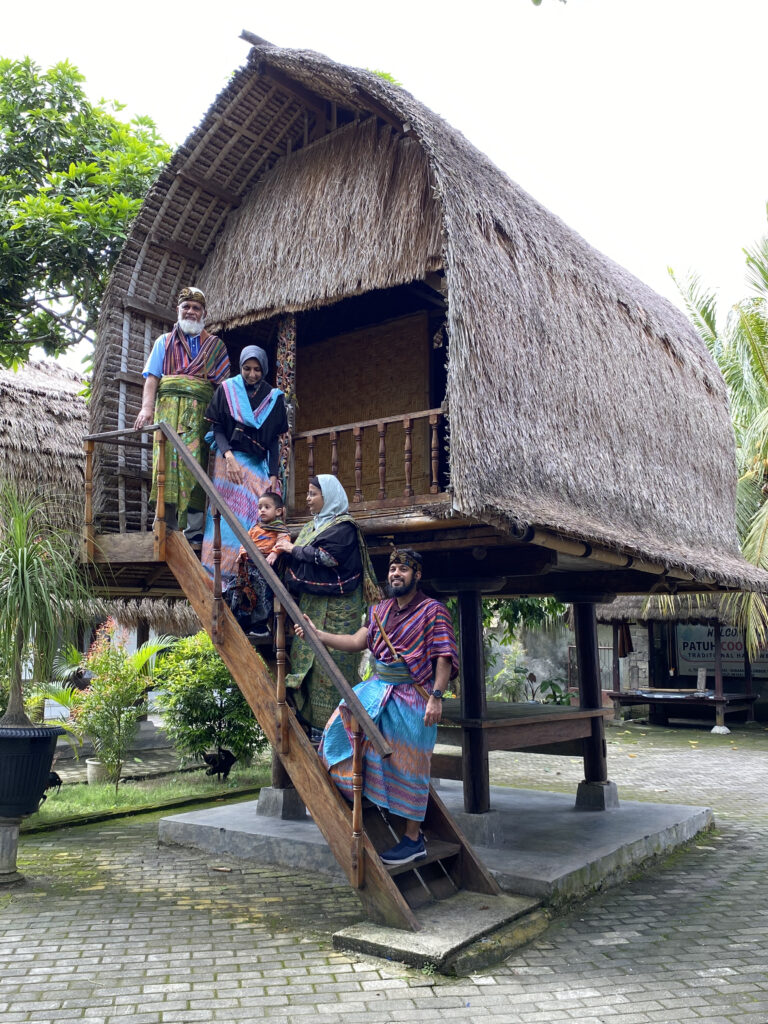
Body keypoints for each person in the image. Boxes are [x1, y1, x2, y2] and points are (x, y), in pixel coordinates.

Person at [296, 548, 458, 866]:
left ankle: (413, 840)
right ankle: (364, 797)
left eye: (404, 570)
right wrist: (318, 635)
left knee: (411, 764)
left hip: (415, 696)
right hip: (376, 688)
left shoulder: (434, 610)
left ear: (417, 575)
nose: (396, 574)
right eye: (393, 569)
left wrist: (437, 698)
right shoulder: (380, 609)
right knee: (339, 736)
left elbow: (444, 656)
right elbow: (359, 641)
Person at [273, 474, 380, 740]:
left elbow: (328, 558)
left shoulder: (344, 527)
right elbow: (297, 552)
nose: (308, 499)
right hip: (312, 605)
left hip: (340, 611)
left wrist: (292, 550)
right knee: (308, 667)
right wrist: (283, 550)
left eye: (312, 494)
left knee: (333, 667)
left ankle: (339, 735)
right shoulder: (312, 527)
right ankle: (315, 732)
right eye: (307, 494)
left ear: (328, 496)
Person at [133, 286, 230, 544]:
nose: (190, 311)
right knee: (164, 467)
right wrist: (146, 408)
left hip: (199, 417)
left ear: (204, 313)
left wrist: (223, 422)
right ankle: (166, 527)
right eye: (186, 306)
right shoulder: (163, 342)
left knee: (194, 468)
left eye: (196, 308)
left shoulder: (215, 346)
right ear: (178, 311)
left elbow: (223, 389)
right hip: (167, 416)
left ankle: (195, 532)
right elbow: (152, 378)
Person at [200, 345, 288, 586]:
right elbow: (217, 429)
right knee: (232, 510)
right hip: (228, 458)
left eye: (257, 369)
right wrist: (229, 458)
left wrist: (272, 474)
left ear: (264, 369)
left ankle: (247, 565)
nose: (252, 374)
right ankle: (219, 571)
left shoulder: (273, 398)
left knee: (263, 499)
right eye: (247, 369)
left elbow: (272, 441)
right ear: (240, 368)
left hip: (256, 460)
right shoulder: (227, 390)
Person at [224, 491, 289, 637]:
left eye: (267, 507)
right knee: (239, 591)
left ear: (278, 511)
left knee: (262, 595)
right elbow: (245, 542)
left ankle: (260, 626)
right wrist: (241, 555)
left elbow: (283, 541)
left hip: (266, 568)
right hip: (249, 567)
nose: (262, 510)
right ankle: (242, 621)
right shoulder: (255, 528)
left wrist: (274, 553)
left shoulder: (279, 528)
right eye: (260, 507)